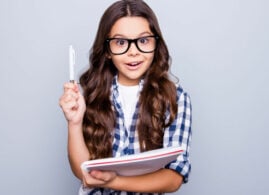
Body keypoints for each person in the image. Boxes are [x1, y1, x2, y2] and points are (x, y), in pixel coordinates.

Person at [59, 0, 192, 194]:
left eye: (144, 40)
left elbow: (174, 178)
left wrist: (114, 181)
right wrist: (74, 123)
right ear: (107, 51)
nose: (133, 51)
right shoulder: (89, 94)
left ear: (156, 44)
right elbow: (83, 172)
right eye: (121, 42)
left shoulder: (175, 98)